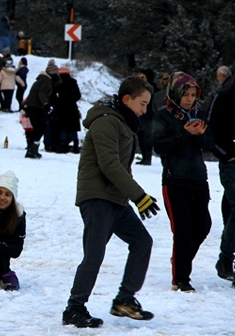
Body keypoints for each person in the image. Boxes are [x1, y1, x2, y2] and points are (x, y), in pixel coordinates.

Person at [63, 76, 159, 328]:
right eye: (142, 104)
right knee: (94, 254)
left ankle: (124, 299)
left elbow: (122, 169)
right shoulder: (106, 122)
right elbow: (109, 165)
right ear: (127, 99)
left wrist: (132, 196)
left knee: (142, 241)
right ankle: (74, 308)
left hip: (116, 199)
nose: (144, 110)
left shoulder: (124, 123)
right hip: (97, 197)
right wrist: (140, 196)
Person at [152, 71, 213, 293]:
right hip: (174, 180)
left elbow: (209, 143)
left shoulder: (199, 112)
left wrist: (201, 135)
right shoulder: (163, 115)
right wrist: (185, 134)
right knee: (183, 230)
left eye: (193, 95)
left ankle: (180, 258)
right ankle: (181, 278)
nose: (190, 99)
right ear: (176, 93)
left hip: (198, 178)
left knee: (203, 225)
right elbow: (159, 146)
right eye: (186, 94)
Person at [208, 65, 235, 282]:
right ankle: (226, 257)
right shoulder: (225, 95)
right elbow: (211, 129)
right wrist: (225, 155)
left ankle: (226, 258)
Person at [23, 59, 58, 159]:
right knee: (41, 127)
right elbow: (41, 93)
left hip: (31, 106)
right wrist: (46, 103)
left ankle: (32, 149)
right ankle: (32, 149)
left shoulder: (42, 79)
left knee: (38, 128)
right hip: (35, 107)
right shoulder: (46, 81)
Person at [52, 67, 82, 153]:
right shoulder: (73, 82)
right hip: (72, 108)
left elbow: (55, 96)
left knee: (63, 128)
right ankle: (76, 145)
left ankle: (63, 145)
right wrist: (72, 100)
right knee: (73, 128)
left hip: (62, 108)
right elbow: (78, 95)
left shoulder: (59, 83)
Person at [136, 69, 158, 165]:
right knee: (140, 135)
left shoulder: (152, 88)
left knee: (147, 136)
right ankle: (144, 157)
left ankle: (148, 158)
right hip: (139, 114)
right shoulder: (138, 88)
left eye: (143, 77)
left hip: (149, 115)